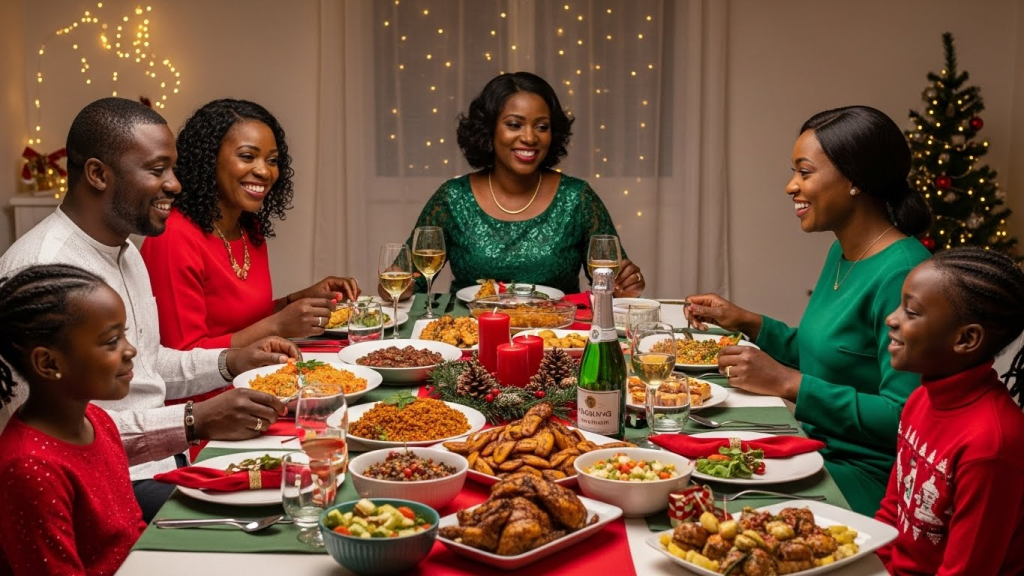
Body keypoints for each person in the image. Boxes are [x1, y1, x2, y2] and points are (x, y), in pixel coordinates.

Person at [0, 97, 299, 523]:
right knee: (285, 520)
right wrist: (194, 420)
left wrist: (231, 361)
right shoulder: (44, 269)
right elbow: (47, 437)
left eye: (172, 169)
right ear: (98, 175)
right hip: (108, 489)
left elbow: (150, 362)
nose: (176, 184)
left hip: (164, 463)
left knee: (306, 472)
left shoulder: (125, 249)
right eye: (157, 170)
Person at [684, 105, 933, 516]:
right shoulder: (844, 250)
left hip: (865, 475)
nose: (790, 186)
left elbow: (905, 417)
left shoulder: (904, 273)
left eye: (804, 171)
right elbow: (827, 357)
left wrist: (788, 384)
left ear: (854, 179)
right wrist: (747, 321)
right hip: (810, 446)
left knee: (706, 509)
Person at [383, 71, 644, 300]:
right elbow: (408, 280)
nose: (529, 137)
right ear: (489, 129)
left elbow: (613, 283)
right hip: (470, 337)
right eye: (514, 124)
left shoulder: (578, 197)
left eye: (542, 126)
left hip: (557, 341)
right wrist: (395, 284)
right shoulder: (452, 197)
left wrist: (624, 288)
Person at [140, 98, 360, 350]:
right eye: (248, 156)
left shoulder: (249, 229)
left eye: (272, 160)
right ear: (208, 160)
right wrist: (278, 325)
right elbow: (184, 357)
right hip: (215, 388)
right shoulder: (173, 238)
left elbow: (244, 321)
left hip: (256, 374)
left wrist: (297, 300)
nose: (265, 172)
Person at [874, 247, 1024, 575]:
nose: (892, 318)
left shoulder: (992, 446)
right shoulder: (920, 400)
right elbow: (891, 512)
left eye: (911, 312)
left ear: (966, 339)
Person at [0, 265, 145, 575]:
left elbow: (133, 530)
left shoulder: (98, 420)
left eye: (125, 335)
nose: (130, 350)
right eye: (111, 341)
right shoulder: (29, 467)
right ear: (49, 362)